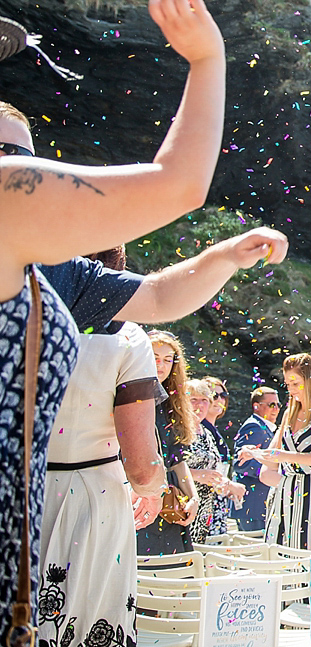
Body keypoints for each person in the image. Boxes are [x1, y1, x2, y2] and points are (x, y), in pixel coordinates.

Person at [0, 0, 226, 634]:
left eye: (25, 160)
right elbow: (179, 183)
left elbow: (156, 295)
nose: (18, 174)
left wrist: (222, 258)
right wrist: (207, 61)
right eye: (8, 160)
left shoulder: (55, 272)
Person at [38, 247, 165, 647]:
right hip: (94, 501)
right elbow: (141, 464)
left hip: (19, 489)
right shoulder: (128, 338)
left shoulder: (21, 314)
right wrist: (153, 489)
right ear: (117, 278)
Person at [239, 354, 311, 551]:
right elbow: (273, 453)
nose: (291, 390)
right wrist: (253, 452)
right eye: (288, 384)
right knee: (275, 550)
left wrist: (283, 456)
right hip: (283, 490)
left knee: (304, 554)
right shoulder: (290, 412)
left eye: (295, 383)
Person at [139, 331, 200, 555]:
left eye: (167, 359)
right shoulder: (130, 397)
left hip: (170, 501)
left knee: (173, 576)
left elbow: (177, 459)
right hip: (140, 495)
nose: (161, 365)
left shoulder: (172, 401)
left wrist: (193, 497)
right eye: (154, 357)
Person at [184, 378, 241, 545]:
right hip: (188, 509)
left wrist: (226, 484)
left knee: (214, 564)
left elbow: (213, 470)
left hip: (213, 511)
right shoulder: (178, 432)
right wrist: (196, 475)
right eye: (193, 400)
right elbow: (165, 469)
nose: (200, 406)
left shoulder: (206, 433)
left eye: (204, 401)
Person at [232, 386, 280, 531]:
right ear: (256, 406)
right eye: (271, 405)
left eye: (278, 405)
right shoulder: (254, 426)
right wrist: (271, 471)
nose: (276, 409)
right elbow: (241, 463)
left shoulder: (265, 428)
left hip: (259, 505)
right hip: (252, 505)